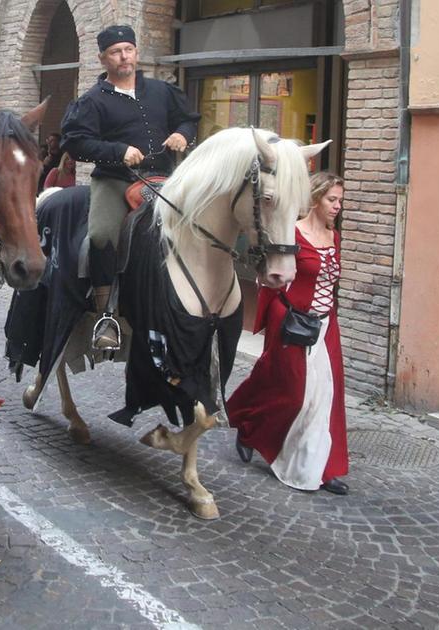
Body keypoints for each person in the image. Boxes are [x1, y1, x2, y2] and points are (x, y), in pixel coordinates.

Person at [61, 25, 199, 349]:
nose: (124, 57)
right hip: (116, 180)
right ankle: (105, 316)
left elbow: (189, 119)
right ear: (102, 58)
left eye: (128, 49)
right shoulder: (92, 101)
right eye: (115, 52)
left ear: (136, 52)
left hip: (166, 180)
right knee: (101, 235)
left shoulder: (163, 92)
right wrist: (117, 152)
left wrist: (183, 134)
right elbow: (76, 144)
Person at [227, 172, 349, 495]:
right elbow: (271, 274)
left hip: (325, 324)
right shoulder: (292, 232)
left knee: (325, 397)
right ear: (315, 198)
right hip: (293, 321)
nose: (337, 206)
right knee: (291, 393)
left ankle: (322, 468)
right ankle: (249, 428)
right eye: (331, 199)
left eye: (340, 200)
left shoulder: (333, 237)